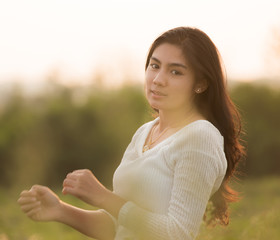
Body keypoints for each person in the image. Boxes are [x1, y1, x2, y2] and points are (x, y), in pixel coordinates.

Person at [17, 27, 245, 240]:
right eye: (154, 66)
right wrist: (60, 210)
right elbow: (119, 225)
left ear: (201, 84)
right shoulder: (145, 133)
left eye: (175, 72)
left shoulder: (199, 137)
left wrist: (103, 197)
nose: (158, 80)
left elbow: (178, 233)